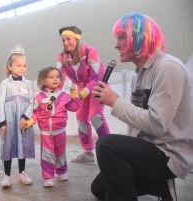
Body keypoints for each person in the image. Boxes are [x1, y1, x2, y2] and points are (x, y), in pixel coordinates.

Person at [91, 13, 193, 201]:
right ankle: (158, 185)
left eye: (122, 37)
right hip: (148, 148)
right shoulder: (139, 74)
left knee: (106, 145)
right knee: (98, 189)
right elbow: (140, 118)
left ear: (140, 37)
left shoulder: (167, 67)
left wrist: (115, 102)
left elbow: (157, 124)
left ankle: (158, 180)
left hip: (168, 154)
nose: (116, 45)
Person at [57, 26, 110, 163]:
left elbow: (94, 79)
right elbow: (59, 79)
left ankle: (110, 151)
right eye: (63, 40)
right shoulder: (62, 56)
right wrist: (55, 96)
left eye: (68, 39)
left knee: (95, 115)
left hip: (97, 85)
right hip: (81, 88)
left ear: (77, 38)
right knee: (80, 118)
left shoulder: (90, 52)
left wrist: (79, 96)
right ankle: (88, 153)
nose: (65, 43)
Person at [26, 66, 80, 187]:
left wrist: (74, 96)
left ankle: (61, 172)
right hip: (46, 133)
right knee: (47, 155)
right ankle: (48, 176)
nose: (55, 79)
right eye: (51, 77)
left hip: (60, 131)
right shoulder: (39, 97)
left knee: (61, 153)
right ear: (43, 81)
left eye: (57, 77)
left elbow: (74, 108)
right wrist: (30, 122)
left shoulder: (64, 96)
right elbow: (35, 113)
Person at [0, 44, 35, 187]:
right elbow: (0, 103)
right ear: (9, 66)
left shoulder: (29, 84)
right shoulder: (5, 83)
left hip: (22, 120)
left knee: (22, 145)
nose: (22, 68)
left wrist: (25, 117)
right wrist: (2, 122)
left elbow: (32, 102)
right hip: (9, 118)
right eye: (18, 65)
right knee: (8, 145)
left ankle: (22, 172)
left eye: (24, 66)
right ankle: (6, 175)